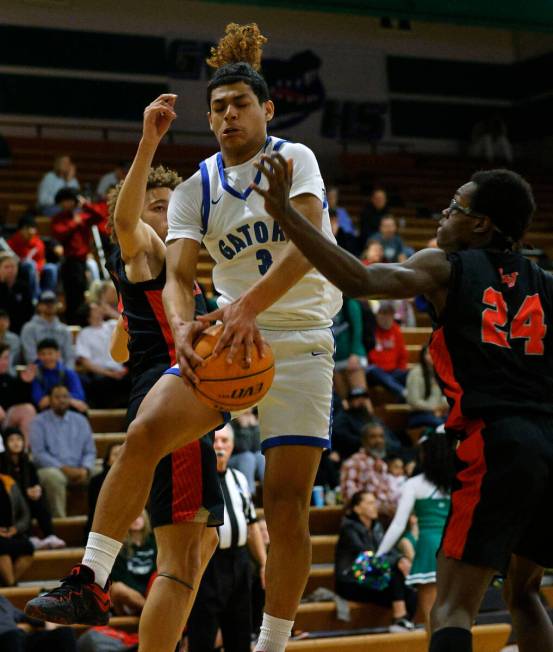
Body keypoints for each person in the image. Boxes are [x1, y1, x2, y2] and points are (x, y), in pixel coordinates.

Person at [25, 24, 342, 652]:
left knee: (285, 505)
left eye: (240, 104)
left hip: (303, 337)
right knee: (142, 433)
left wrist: (247, 306)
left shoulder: (295, 159)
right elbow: (177, 273)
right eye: (219, 106)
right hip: (229, 336)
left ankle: (271, 643)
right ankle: (90, 576)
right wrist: (179, 326)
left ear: (267, 110)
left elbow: (308, 246)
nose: (228, 114)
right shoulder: (196, 187)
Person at [249, 159, 553, 652]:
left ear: (480, 224)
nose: (443, 214)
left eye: (454, 207)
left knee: (452, 607)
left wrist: (286, 213)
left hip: (497, 441)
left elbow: (361, 281)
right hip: (548, 444)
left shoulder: (445, 266)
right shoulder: (546, 282)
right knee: (526, 593)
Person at [27, 95, 223, 652]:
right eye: (160, 204)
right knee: (182, 560)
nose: (168, 213)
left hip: (170, 401)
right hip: (171, 400)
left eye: (174, 204)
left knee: (195, 552)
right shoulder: (147, 250)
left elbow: (118, 349)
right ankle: (96, 583)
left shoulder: (172, 279)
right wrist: (148, 144)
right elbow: (126, 220)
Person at [187, 424, 267, 652]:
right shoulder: (197, 479)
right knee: (202, 635)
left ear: (232, 446)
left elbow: (252, 525)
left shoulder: (240, 479)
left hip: (239, 563)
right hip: (208, 564)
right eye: (216, 441)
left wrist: (263, 563)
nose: (220, 446)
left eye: (225, 442)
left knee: (240, 633)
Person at [377, 430, 454, 627]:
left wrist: (380, 553)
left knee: (431, 618)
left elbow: (398, 524)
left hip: (429, 548)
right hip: (456, 547)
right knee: (458, 615)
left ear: (426, 454)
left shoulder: (414, 484)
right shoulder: (460, 481)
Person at [334, 491, 415, 632]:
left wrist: (401, 559)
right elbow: (365, 556)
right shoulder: (348, 528)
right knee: (395, 575)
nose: (374, 506)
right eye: (370, 503)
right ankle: (399, 618)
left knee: (410, 590)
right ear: (357, 508)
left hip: (371, 577)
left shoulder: (376, 527)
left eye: (375, 502)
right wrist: (397, 562)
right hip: (351, 580)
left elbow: (388, 549)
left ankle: (403, 622)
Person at [29, 384, 96, 517]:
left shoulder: (81, 420)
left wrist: (85, 468)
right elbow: (38, 454)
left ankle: (98, 521)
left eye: (65, 396)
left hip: (80, 469)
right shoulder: (38, 421)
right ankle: (61, 523)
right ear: (50, 399)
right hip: (52, 468)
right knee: (53, 477)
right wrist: (63, 468)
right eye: (57, 397)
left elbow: (90, 451)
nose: (62, 400)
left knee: (103, 473)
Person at [0, 428, 65, 550]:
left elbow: (35, 481)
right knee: (25, 499)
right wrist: (26, 492)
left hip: (28, 498)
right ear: (5, 443)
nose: (16, 443)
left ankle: (50, 535)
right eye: (12, 440)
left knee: (39, 497)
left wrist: (36, 489)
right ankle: (27, 536)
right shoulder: (1, 462)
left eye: (19, 439)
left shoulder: (28, 463)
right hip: (9, 501)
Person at [51, 189, 106, 324]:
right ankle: (72, 322)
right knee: (71, 294)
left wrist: (86, 205)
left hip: (82, 262)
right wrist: (74, 223)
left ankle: (80, 322)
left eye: (69, 200)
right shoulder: (59, 218)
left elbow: (101, 216)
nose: (66, 204)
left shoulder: (82, 216)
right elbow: (59, 233)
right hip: (69, 261)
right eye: (63, 201)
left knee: (82, 293)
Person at [75, 302, 129, 408]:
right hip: (100, 375)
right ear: (88, 314)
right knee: (100, 384)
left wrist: (110, 312)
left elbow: (127, 322)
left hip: (121, 371)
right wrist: (108, 373)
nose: (100, 309)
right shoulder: (84, 333)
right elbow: (85, 362)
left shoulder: (111, 325)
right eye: (95, 309)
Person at [340, 419, 398, 515]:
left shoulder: (382, 465)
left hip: (384, 518)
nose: (379, 440)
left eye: (381, 436)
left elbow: (389, 495)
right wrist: (379, 508)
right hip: (362, 521)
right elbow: (350, 499)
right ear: (364, 441)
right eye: (373, 437)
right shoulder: (354, 463)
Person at [111, 510, 157, 616]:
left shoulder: (155, 542)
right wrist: (138, 594)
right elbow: (118, 577)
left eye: (139, 516)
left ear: (145, 519)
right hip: (129, 597)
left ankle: (150, 612)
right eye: (131, 517)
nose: (135, 520)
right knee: (117, 588)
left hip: (152, 594)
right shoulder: (119, 546)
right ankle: (152, 614)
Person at [0, 595, 77, 652]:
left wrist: (44, 622)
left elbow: (23, 616)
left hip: (18, 637)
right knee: (12, 636)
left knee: (65, 632)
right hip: (6, 637)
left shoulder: (2, 600)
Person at [366, 301, 408, 402]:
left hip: (393, 372)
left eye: (389, 314)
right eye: (383, 313)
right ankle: (402, 392)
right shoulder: (371, 329)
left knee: (411, 374)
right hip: (375, 372)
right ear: (377, 315)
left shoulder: (396, 330)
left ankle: (402, 392)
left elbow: (403, 355)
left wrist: (401, 370)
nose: (386, 317)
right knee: (373, 370)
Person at [30, 339, 87, 413]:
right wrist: (65, 398)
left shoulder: (68, 372)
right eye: (43, 354)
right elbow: (38, 398)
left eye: (50, 353)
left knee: (80, 406)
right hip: (46, 408)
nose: (46, 357)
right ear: (38, 356)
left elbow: (79, 395)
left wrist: (56, 398)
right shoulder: (36, 374)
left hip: (66, 406)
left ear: (58, 354)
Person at [7, 214, 58, 298]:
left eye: (33, 228)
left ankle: (47, 294)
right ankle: (34, 296)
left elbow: (41, 260)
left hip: (36, 269)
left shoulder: (38, 243)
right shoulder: (12, 242)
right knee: (31, 264)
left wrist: (38, 270)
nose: (30, 232)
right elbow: (11, 260)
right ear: (21, 230)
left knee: (52, 267)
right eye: (26, 228)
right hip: (20, 269)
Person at [20, 291, 75, 367]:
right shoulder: (29, 328)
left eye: (53, 302)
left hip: (62, 372)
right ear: (38, 306)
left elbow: (69, 357)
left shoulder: (64, 330)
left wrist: (66, 374)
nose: (50, 305)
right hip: (39, 373)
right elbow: (31, 357)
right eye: (46, 302)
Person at [0, 473, 34, 586]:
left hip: (11, 531)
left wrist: (16, 528)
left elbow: (25, 513)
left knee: (28, 547)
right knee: (1, 547)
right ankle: (11, 584)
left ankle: (9, 584)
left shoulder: (8, 481)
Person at [0, 343, 36, 445]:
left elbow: (20, 401)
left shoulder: (7, 379)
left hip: (5, 421)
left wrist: (24, 383)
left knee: (28, 410)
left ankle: (23, 454)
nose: (6, 362)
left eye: (7, 358)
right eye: (3, 358)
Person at [333, 296, 369, 399]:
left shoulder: (350, 303)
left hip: (352, 357)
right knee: (344, 402)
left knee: (360, 400)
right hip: (336, 360)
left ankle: (367, 415)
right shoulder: (328, 305)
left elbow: (358, 330)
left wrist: (355, 353)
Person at [406, 344, 448, 429]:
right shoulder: (415, 373)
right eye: (428, 353)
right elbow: (414, 401)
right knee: (441, 425)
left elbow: (445, 397)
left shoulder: (439, 373)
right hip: (419, 414)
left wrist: (442, 408)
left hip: (438, 412)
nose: (432, 356)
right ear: (423, 356)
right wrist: (434, 409)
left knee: (455, 423)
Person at [331, 387, 374, 461]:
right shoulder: (343, 417)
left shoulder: (369, 417)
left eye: (363, 397)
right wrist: (363, 441)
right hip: (350, 455)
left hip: (371, 453)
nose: (361, 400)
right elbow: (339, 434)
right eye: (357, 397)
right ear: (349, 401)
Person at [228, 409, 265, 495]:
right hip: (232, 461)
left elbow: (257, 448)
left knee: (261, 456)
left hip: (249, 462)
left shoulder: (252, 422)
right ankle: (248, 496)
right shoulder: (231, 422)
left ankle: (270, 492)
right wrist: (243, 428)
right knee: (247, 457)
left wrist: (254, 428)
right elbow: (242, 447)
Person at [0, 253, 33, 334]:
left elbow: (29, 310)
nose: (10, 270)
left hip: (21, 327)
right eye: (6, 267)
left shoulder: (23, 287)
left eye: (13, 266)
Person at [359, 187, 389, 252]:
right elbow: (364, 233)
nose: (380, 201)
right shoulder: (366, 213)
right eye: (378, 198)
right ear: (372, 199)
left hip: (388, 239)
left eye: (382, 198)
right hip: (371, 241)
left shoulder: (388, 212)